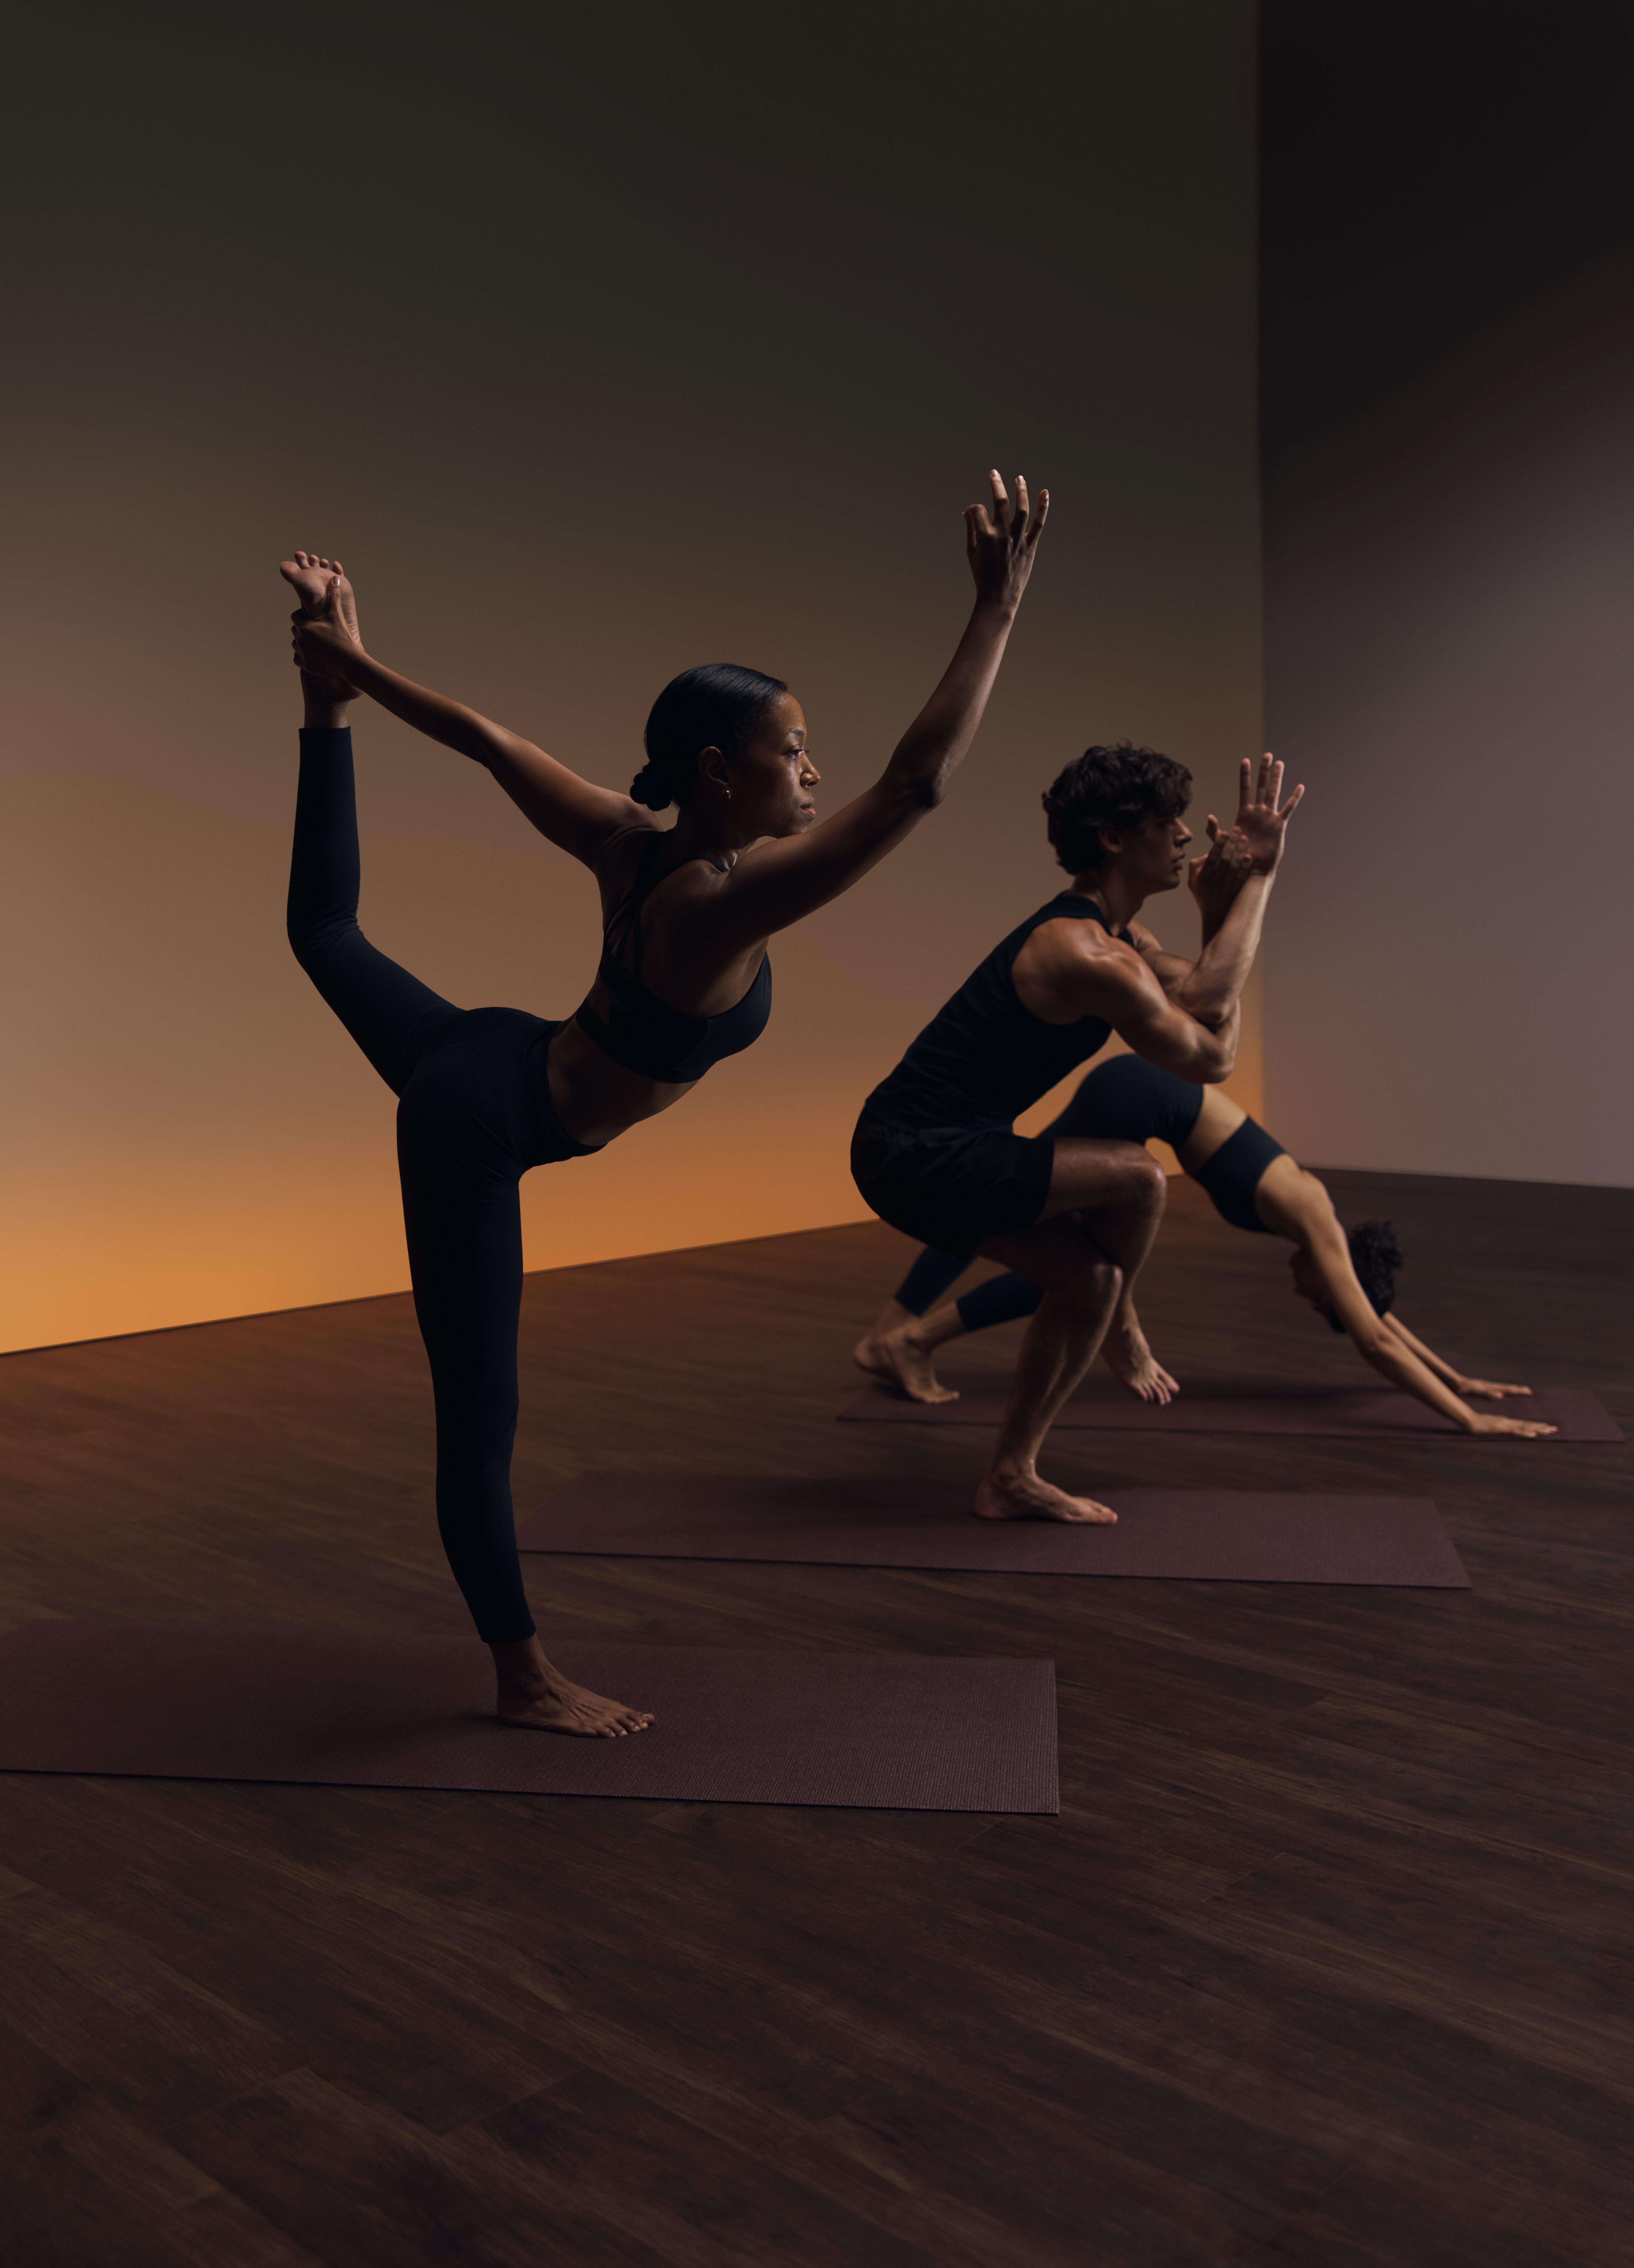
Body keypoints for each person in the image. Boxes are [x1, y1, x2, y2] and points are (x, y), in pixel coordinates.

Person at [279, 470, 1048, 1735]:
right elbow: (914, 789)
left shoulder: (629, 837)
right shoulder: (711, 904)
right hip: (482, 1119)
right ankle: (524, 1679)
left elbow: (483, 738)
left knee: (325, 931)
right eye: (791, 749)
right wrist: (996, 609)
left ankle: (318, 715)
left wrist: (353, 668)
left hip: (494, 1050)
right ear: (718, 771)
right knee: (479, 1415)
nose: (814, 769)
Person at [851, 740, 1302, 1525]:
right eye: (1170, 823)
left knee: (1086, 1278)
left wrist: (1219, 910)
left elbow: (1208, 1019)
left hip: (951, 1146)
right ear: (1115, 837)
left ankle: (1011, 1476)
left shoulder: (1125, 946)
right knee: (1139, 1177)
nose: (1188, 838)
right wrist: (1258, 879)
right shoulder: (1082, 951)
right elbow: (1213, 1048)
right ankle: (1121, 1320)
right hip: (912, 1150)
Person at [855, 1052, 1556, 1438]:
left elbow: (1376, 1319)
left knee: (1031, 1227)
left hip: (1134, 1093)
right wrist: (1467, 1421)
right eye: (1318, 1299)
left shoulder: (1325, 1238)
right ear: (1335, 1271)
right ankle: (907, 1339)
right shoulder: (1311, 1214)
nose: (1300, 1293)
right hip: (1137, 1096)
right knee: (1048, 1238)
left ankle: (905, 1336)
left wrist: (1458, 1377)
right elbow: (1372, 1339)